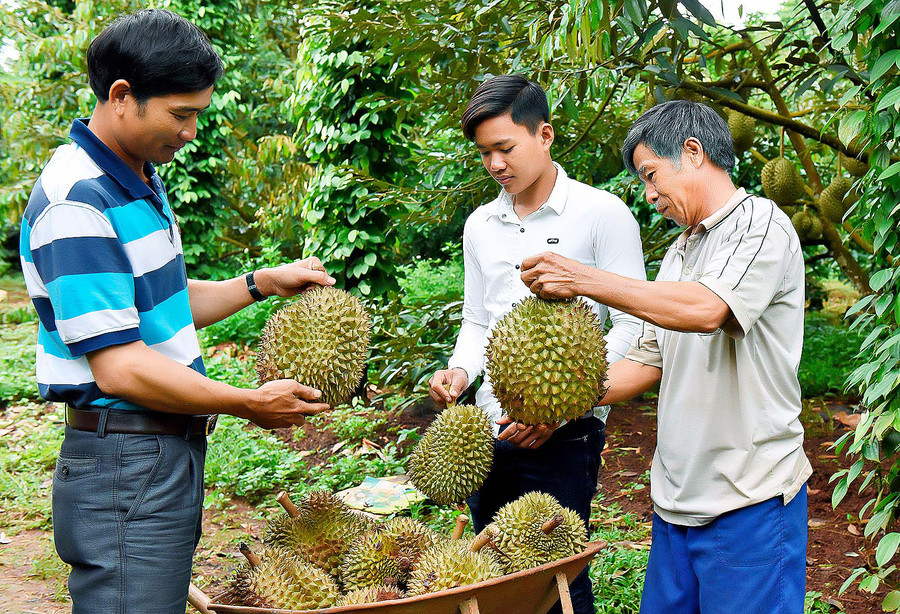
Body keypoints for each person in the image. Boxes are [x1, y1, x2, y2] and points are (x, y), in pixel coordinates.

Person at [19, 10, 334, 613]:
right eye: (180, 113)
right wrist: (246, 400)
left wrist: (261, 282)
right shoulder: (78, 201)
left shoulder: (135, 178)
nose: (191, 131)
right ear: (121, 97)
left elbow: (158, 307)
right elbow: (119, 367)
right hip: (124, 462)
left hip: (158, 453)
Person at [521, 100, 812, 614]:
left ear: (693, 152)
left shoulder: (761, 223)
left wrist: (584, 277)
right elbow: (646, 361)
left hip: (749, 499)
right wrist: (556, 401)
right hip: (677, 501)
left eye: (652, 176)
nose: (650, 195)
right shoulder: (680, 252)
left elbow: (707, 310)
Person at [427, 74, 646, 614]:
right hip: (489, 429)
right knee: (490, 570)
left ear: (544, 135)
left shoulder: (602, 214)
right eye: (485, 154)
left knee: (557, 576)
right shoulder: (481, 224)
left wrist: (568, 406)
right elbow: (478, 320)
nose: (496, 165)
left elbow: (633, 328)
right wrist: (459, 372)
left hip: (566, 434)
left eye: (506, 148)